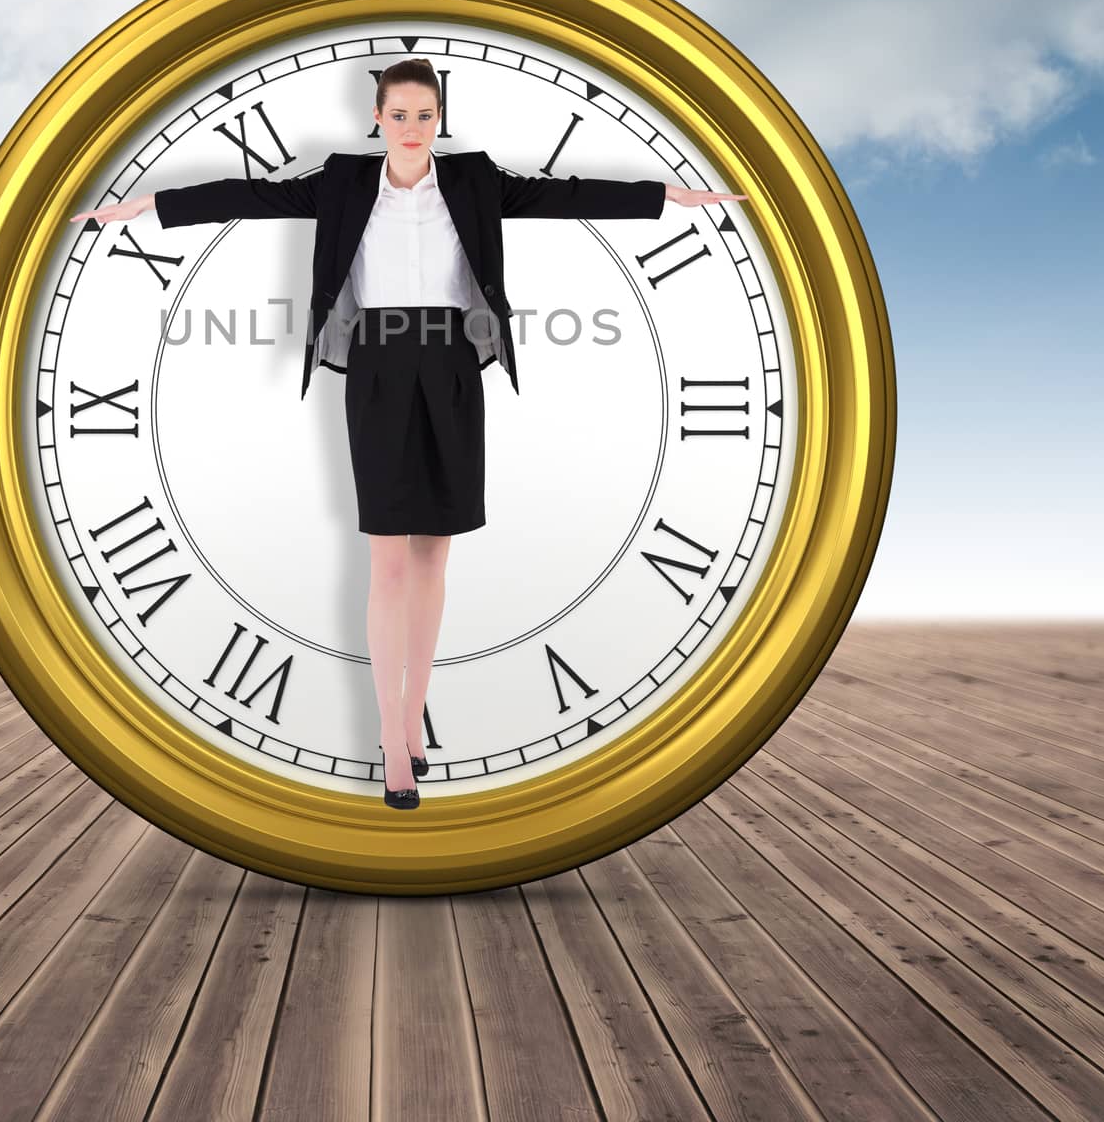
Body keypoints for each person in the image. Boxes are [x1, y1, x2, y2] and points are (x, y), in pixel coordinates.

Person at [71, 58, 747, 809]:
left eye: (425, 115)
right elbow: (250, 196)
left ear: (439, 120)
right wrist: (148, 205)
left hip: (455, 363)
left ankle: (412, 718)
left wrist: (669, 196)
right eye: (400, 115)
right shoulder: (342, 181)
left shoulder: (474, 180)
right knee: (387, 559)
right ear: (377, 119)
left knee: (434, 554)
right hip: (378, 365)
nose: (413, 128)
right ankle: (391, 735)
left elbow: (568, 196)